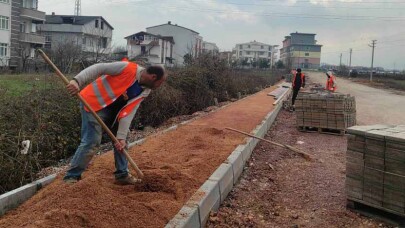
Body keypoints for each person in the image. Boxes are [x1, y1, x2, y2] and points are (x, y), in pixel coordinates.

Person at [63, 60, 166, 185]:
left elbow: (129, 112)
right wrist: (77, 81)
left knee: (122, 140)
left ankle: (122, 175)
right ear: (153, 77)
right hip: (94, 104)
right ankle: (71, 176)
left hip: (114, 113)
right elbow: (99, 68)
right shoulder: (127, 68)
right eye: (159, 83)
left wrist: (121, 137)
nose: (158, 87)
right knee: (92, 141)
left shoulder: (146, 90)